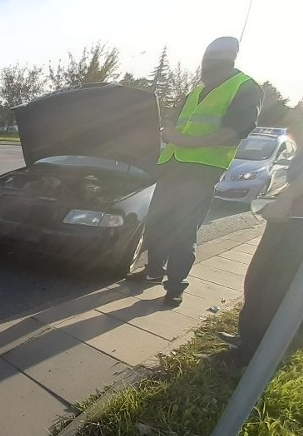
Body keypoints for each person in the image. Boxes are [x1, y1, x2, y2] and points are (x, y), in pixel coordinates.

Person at [129, 37, 264, 306]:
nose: (206, 65)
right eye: (206, 59)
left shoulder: (246, 87)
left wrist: (184, 141)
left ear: (228, 60)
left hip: (201, 170)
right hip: (173, 166)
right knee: (157, 221)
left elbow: (234, 132)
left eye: (212, 60)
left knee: (183, 230)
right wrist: (168, 132)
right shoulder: (198, 90)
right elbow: (180, 122)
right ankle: (154, 271)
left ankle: (175, 286)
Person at [218, 147, 303, 357]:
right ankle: (249, 339)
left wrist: (288, 197)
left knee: (270, 285)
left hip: (296, 222)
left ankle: (253, 351)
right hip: (290, 217)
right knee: (259, 280)